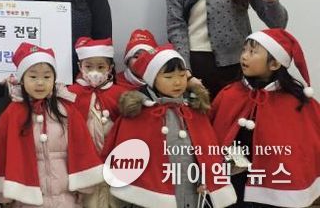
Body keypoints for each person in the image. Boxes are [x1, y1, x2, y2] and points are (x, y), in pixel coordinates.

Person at [104, 45, 236, 208]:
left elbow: (208, 152)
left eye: (182, 75)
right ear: (152, 78)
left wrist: (207, 178)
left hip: (192, 193)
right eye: (168, 77)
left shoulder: (194, 110)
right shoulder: (139, 114)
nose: (177, 82)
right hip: (151, 198)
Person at [210, 29, 320, 207]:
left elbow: (308, 145)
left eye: (252, 52)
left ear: (274, 63)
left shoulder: (296, 102)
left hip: (277, 181)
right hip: (235, 178)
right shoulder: (230, 94)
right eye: (244, 50)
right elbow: (213, 136)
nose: (244, 56)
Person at [0, 42, 104, 207]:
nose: (40, 83)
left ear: (54, 79)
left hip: (66, 199)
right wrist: (5, 195)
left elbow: (82, 147)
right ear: (22, 79)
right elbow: (0, 154)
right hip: (27, 201)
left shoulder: (66, 110)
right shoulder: (12, 114)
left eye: (46, 77)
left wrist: (83, 185)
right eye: (33, 77)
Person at [67, 37, 126, 208]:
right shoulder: (70, 94)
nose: (95, 72)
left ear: (110, 68)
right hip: (84, 162)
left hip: (113, 162)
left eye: (101, 67)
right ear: (80, 67)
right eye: (88, 66)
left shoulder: (120, 94)